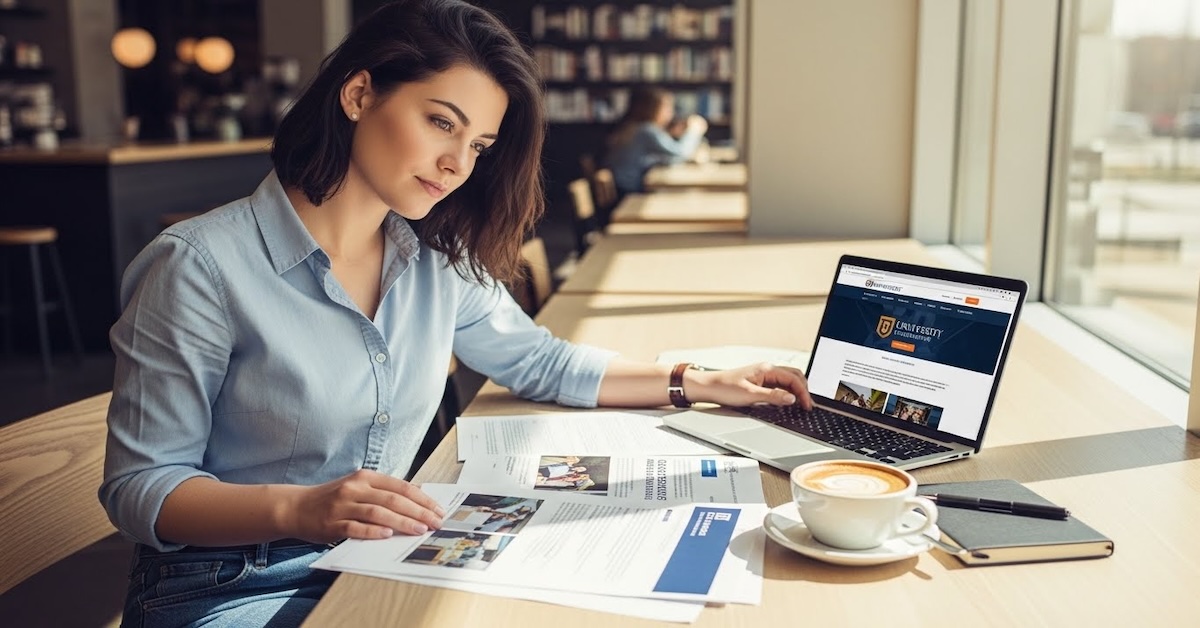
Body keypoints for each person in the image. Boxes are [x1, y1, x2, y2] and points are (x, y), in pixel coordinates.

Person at [99, 1, 812, 626]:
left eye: (477, 146)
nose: (456, 164)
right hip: (226, 585)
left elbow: (538, 360)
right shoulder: (198, 266)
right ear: (358, 94)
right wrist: (300, 508)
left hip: (374, 558)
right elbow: (142, 487)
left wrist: (697, 381)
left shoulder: (432, 259)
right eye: (441, 123)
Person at [604, 86, 708, 198]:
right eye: (666, 109)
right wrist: (694, 131)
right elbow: (679, 152)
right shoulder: (646, 130)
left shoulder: (631, 127)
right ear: (651, 109)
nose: (670, 113)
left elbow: (666, 157)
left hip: (621, 187)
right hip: (629, 191)